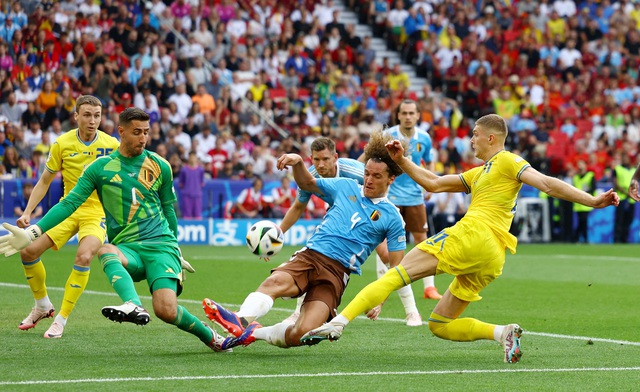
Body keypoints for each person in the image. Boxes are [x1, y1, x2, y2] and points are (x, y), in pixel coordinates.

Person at [301, 114, 619, 363]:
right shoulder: (481, 172)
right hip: (493, 256)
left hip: (473, 235)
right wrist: (400, 160)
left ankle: (338, 322)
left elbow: (546, 183)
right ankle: (503, 333)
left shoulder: (508, 160)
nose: (471, 140)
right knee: (440, 324)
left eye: (475, 135)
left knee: (398, 274)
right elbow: (435, 183)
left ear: (491, 137)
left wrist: (592, 201)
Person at [0, 108, 225, 352]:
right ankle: (133, 304)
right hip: (128, 249)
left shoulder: (160, 165)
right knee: (105, 250)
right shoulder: (99, 169)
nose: (143, 138)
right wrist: (34, 231)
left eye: (146, 132)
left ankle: (211, 336)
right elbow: (69, 203)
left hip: (161, 246)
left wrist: (177, 250)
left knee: (165, 311)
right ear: (121, 132)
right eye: (136, 132)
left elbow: (169, 210)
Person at [201, 130, 407, 350]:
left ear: (390, 179)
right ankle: (240, 319)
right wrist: (298, 163)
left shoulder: (393, 217)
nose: (368, 180)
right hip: (312, 255)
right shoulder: (345, 186)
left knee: (302, 333)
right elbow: (308, 183)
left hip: (337, 274)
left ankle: (254, 333)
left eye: (376, 176)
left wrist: (380, 301)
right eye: (367, 173)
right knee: (275, 283)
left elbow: (396, 268)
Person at [278, 137, 423, 327]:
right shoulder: (309, 176)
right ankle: (297, 313)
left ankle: (411, 311)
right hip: (340, 219)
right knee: (316, 251)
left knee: (389, 258)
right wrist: (277, 234)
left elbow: (379, 193)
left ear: (335, 158)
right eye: (316, 160)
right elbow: (298, 207)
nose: (321, 165)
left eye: (326, 159)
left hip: (372, 215)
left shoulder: (355, 174)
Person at [12, 95, 119, 339]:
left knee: (84, 255)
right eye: (87, 115)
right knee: (28, 252)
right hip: (68, 208)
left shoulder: (112, 145)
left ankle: (61, 318)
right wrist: (28, 212)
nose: (93, 121)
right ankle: (42, 305)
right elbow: (45, 180)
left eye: (97, 115)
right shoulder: (62, 143)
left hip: (96, 212)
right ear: (76, 117)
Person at [382, 99, 442, 301]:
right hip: (391, 196)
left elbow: (430, 160)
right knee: (384, 241)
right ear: (398, 115)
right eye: (404, 113)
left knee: (422, 240)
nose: (408, 116)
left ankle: (429, 288)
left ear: (418, 115)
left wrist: (431, 182)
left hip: (415, 196)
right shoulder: (387, 135)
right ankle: (383, 288)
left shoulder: (424, 138)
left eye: (411, 113)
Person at [571, 160, 595, 244]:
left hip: (587, 203)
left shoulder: (590, 175)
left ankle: (577, 238)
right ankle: (581, 238)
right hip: (578, 204)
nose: (580, 167)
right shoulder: (575, 177)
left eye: (581, 165)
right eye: (578, 165)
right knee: (581, 222)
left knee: (583, 221)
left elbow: (593, 188)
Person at [613, 154, 635, 243]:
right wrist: (626, 192)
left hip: (631, 199)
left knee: (629, 219)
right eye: (624, 158)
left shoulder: (634, 170)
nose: (625, 160)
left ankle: (624, 239)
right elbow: (615, 183)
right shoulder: (617, 169)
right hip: (620, 198)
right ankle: (617, 239)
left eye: (627, 158)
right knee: (619, 219)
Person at [178, 151, 205, 219]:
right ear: (188, 158)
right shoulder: (184, 170)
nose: (192, 159)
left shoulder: (200, 170)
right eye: (191, 157)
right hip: (187, 195)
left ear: (196, 158)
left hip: (197, 195)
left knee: (198, 215)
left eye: (194, 157)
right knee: (186, 215)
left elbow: (202, 182)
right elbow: (181, 183)